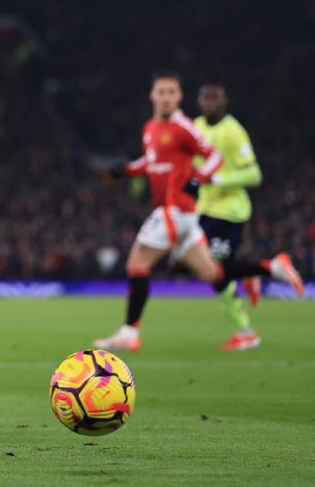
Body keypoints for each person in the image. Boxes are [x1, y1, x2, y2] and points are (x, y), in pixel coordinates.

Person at [93, 71, 302, 353]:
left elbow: (215, 156)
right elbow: (152, 160)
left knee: (137, 264)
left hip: (174, 209)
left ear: (179, 97)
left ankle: (130, 331)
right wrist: (126, 170)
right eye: (161, 92)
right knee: (212, 273)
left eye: (172, 92)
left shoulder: (184, 127)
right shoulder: (150, 128)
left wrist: (198, 179)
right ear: (152, 95)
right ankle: (271, 267)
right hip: (188, 216)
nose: (166, 97)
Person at [195, 79, 293, 351]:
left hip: (228, 212)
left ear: (224, 102)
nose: (209, 103)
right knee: (210, 271)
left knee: (214, 272)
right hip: (202, 210)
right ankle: (250, 273)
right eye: (205, 98)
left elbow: (253, 174)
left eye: (215, 98)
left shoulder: (233, 132)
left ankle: (269, 269)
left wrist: (217, 179)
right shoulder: (197, 127)